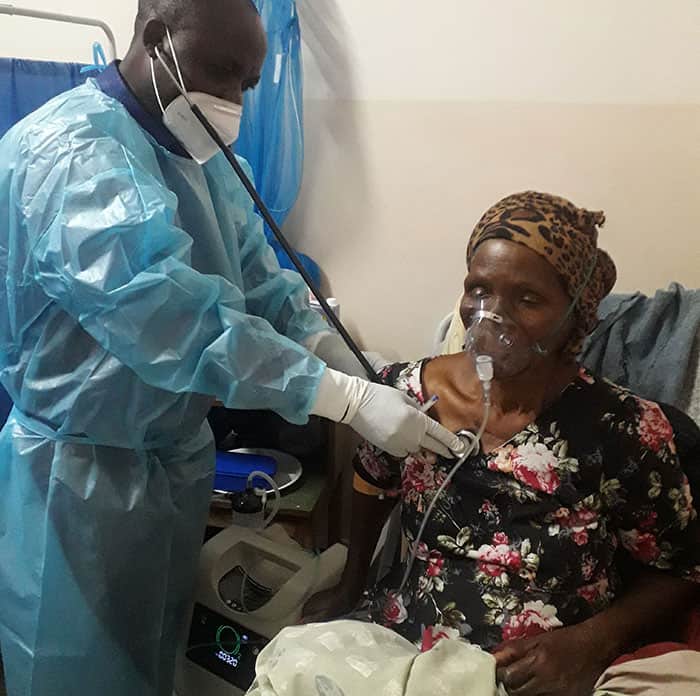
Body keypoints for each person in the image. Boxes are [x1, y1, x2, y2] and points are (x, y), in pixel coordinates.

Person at [0, 1, 466, 695]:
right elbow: (173, 321)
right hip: (78, 480)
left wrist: (333, 350)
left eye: (248, 82)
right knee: (75, 673)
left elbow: (259, 279)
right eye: (220, 70)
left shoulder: (196, 155)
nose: (231, 98)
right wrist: (343, 398)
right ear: (156, 39)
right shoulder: (73, 157)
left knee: (152, 662)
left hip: (171, 466)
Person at [304, 192, 700, 696]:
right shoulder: (404, 396)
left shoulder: (622, 428)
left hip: (540, 675)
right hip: (402, 651)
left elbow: (682, 567)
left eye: (528, 299)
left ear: (575, 316)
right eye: (479, 289)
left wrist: (592, 643)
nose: (490, 316)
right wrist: (350, 580)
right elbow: (372, 481)